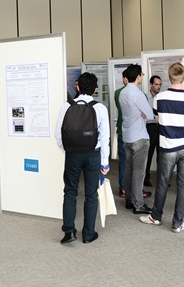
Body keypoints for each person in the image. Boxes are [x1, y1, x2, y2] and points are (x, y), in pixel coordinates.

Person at [140, 63, 184, 232]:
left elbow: (157, 118)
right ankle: (177, 223)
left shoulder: (159, 98)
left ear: (169, 77)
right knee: (183, 186)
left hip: (168, 146)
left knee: (162, 183)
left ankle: (156, 217)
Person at [55, 72, 110, 244]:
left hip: (72, 154)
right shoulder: (100, 108)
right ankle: (88, 234)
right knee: (91, 194)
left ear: (77, 87)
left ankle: (69, 232)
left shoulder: (66, 106)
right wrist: (105, 162)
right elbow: (105, 138)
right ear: (95, 89)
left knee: (70, 191)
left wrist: (67, 149)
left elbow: (58, 134)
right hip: (93, 155)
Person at [119, 64, 154, 214]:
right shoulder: (138, 94)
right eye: (142, 75)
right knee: (139, 172)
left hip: (127, 135)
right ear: (138, 76)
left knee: (129, 169)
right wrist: (143, 114)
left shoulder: (122, 92)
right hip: (139, 136)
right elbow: (150, 115)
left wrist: (142, 113)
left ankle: (129, 199)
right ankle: (138, 204)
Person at [144, 75, 162, 187]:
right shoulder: (145, 97)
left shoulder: (162, 97)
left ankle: (162, 180)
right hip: (149, 127)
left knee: (161, 155)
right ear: (151, 84)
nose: (158, 87)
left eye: (160, 85)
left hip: (160, 127)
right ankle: (146, 178)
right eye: (156, 84)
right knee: (148, 154)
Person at [114, 71, 128, 198]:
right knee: (136, 163)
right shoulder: (140, 94)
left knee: (123, 160)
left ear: (125, 78)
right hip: (135, 133)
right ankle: (135, 189)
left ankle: (123, 187)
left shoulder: (117, 93)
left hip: (122, 130)